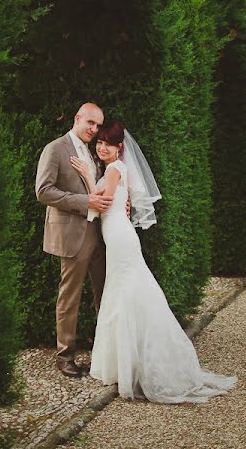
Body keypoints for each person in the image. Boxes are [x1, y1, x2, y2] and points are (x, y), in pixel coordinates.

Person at [70, 120, 237, 403]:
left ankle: (132, 365)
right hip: (118, 236)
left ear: (119, 147)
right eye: (99, 142)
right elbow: (118, 201)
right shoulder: (115, 169)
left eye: (107, 144)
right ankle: (125, 364)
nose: (101, 147)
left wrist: (87, 177)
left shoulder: (113, 168)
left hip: (121, 238)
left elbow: (105, 201)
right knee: (123, 293)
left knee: (125, 293)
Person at [35, 103, 112, 378]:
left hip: (100, 235)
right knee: (70, 297)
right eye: (90, 123)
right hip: (72, 234)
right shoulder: (55, 149)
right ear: (77, 119)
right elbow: (43, 191)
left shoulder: (92, 152)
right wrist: (85, 201)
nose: (94, 129)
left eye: (98, 125)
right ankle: (65, 355)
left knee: (105, 294)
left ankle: (104, 352)